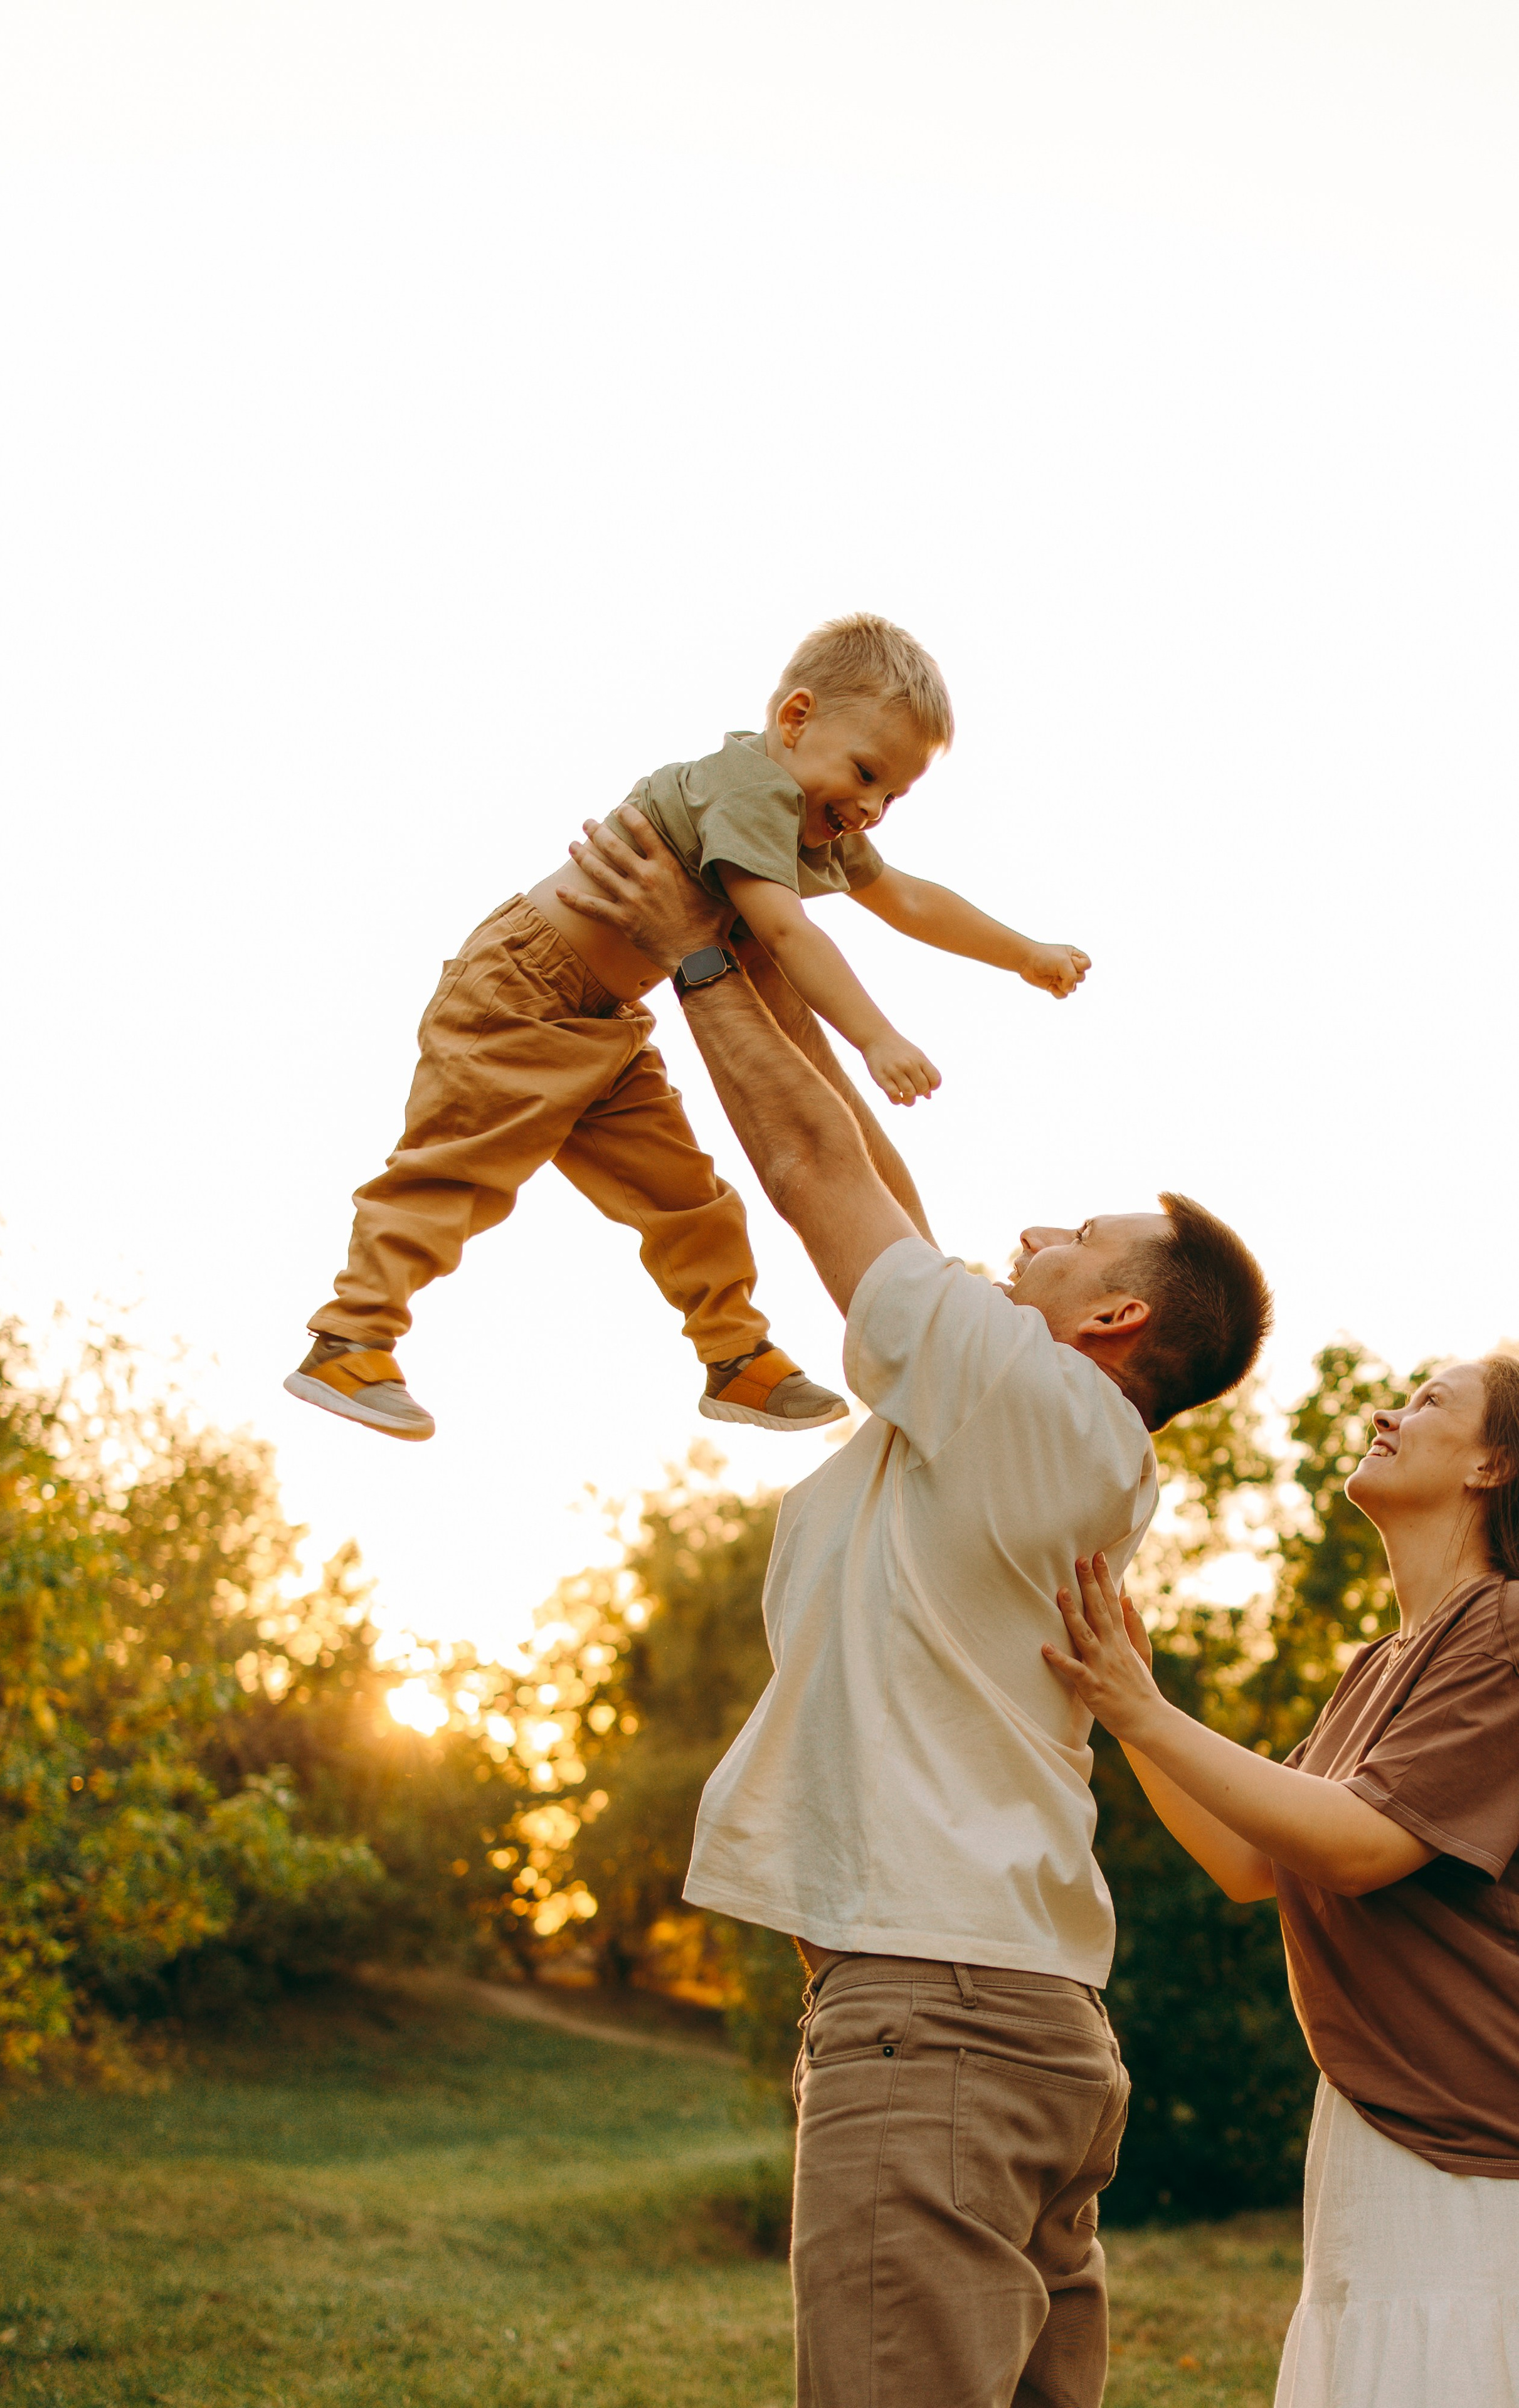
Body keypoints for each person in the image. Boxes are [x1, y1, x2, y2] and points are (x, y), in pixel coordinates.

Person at [554, 803, 1271, 2408]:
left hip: (938, 2032)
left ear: (1115, 1312)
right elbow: (878, 1177)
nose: (1027, 1232)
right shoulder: (1015, 1422)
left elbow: (815, 1174)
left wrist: (684, 958)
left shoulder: (1044, 1412)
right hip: (1005, 2022)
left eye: (1072, 1234)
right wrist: (763, 949)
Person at [285, 612, 1089, 1442]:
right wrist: (875, 1037)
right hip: (520, 994)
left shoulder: (812, 818)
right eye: (866, 773)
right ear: (795, 718)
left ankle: (736, 1358)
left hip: (607, 1021)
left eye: (896, 794)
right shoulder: (750, 792)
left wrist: (1023, 953)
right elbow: (784, 934)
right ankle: (352, 1337)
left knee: (689, 1199)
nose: (875, 806)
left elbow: (913, 900)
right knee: (457, 1170)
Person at [1042, 1356, 1519, 2408]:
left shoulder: (1509, 1629)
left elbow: (1359, 1846)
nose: (1389, 1411)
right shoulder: (1380, 1666)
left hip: (1475, 2146)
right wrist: (1133, 1701)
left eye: (1431, 1402)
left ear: (1495, 1464)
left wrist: (1143, 1713)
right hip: (1377, 2118)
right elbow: (1253, 1860)